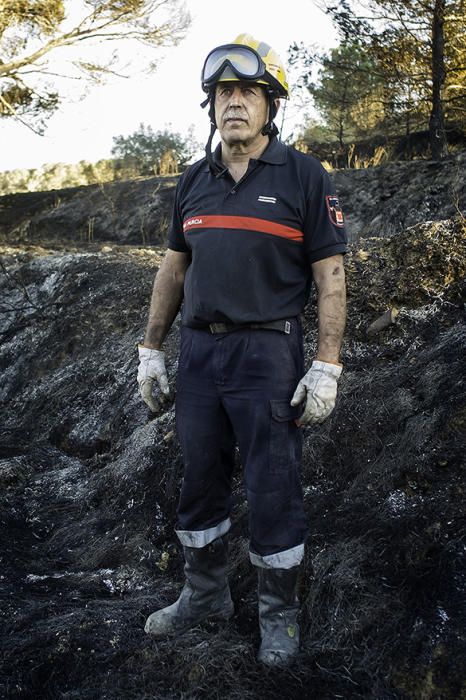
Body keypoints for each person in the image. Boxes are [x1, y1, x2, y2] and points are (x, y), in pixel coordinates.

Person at [137, 34, 347, 667]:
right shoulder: (193, 181)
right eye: (223, 93)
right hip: (200, 355)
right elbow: (173, 268)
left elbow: (330, 274)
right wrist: (151, 348)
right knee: (199, 477)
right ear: (211, 106)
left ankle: (277, 616)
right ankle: (203, 595)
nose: (234, 103)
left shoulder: (305, 176)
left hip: (268, 354)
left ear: (270, 106)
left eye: (248, 93)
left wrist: (327, 363)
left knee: (272, 484)